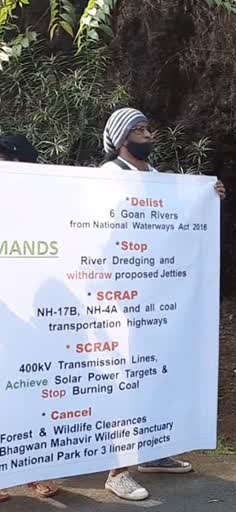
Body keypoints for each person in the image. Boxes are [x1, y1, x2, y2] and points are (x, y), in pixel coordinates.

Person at [100, 108, 225, 501]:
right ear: (121, 138)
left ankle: (153, 450)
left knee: (160, 373)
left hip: (160, 297)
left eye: (147, 128)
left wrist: (209, 196)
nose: (147, 134)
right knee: (128, 380)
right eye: (137, 130)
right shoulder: (107, 177)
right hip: (123, 300)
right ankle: (117, 470)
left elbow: (180, 219)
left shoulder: (158, 179)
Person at [0, 134, 60, 503]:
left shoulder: (42, 205)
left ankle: (31, 470)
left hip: (32, 312)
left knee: (28, 391)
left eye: (7, 158)